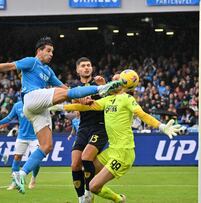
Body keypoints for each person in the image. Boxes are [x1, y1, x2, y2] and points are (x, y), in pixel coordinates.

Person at [0, 36, 125, 194]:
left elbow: (64, 87)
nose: (51, 54)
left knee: (47, 146)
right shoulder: (31, 61)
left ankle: (20, 174)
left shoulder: (48, 71)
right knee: (66, 93)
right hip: (31, 97)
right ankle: (101, 89)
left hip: (36, 109)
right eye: (48, 51)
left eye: (52, 52)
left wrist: (81, 99)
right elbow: (10, 66)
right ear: (39, 51)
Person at [60, 70, 184, 203]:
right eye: (113, 80)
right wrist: (61, 107)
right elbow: (86, 107)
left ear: (124, 84)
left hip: (123, 153)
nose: (114, 82)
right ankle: (88, 198)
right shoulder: (108, 100)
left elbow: (142, 114)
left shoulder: (127, 99)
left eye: (117, 80)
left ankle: (118, 199)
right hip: (112, 150)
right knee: (87, 173)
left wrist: (161, 126)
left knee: (93, 186)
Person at [69, 57, 109, 203]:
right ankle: (81, 199)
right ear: (78, 70)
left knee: (86, 157)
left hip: (99, 126)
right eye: (83, 66)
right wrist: (80, 100)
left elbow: (110, 100)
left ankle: (88, 192)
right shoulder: (75, 89)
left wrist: (105, 86)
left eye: (89, 65)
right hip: (83, 128)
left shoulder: (98, 83)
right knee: (75, 164)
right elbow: (74, 103)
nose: (86, 68)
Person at [0, 100, 40, 190]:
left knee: (36, 160)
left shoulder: (36, 102)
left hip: (35, 137)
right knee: (17, 157)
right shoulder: (17, 105)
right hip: (22, 136)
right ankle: (14, 182)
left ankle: (33, 178)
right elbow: (9, 118)